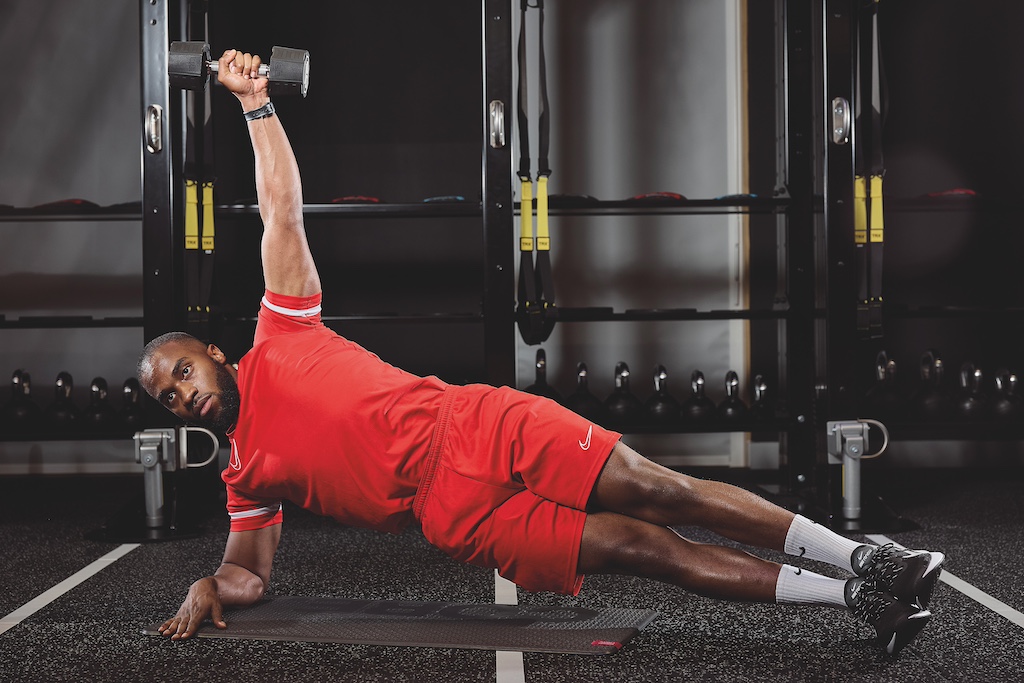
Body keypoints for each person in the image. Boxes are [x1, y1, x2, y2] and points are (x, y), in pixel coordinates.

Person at [138, 48, 945, 658]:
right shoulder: (242, 469)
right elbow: (250, 574)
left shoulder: (282, 327)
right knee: (642, 549)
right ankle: (856, 599)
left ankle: (870, 559)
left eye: (183, 371)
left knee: (660, 491)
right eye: (169, 399)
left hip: (478, 424)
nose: (184, 394)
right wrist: (212, 580)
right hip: (451, 514)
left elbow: (282, 211)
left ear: (211, 352)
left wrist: (253, 105)